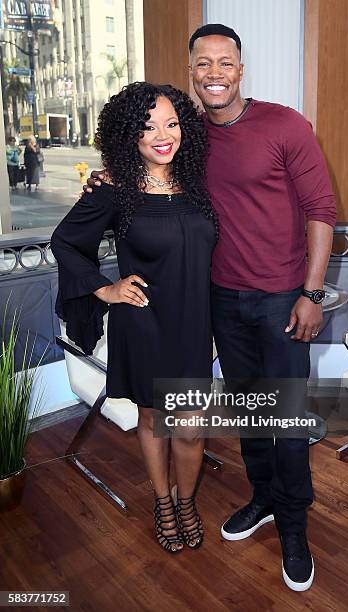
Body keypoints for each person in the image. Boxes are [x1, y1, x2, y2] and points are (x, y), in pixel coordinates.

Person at [84, 24, 336, 591]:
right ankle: (265, 498)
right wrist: (106, 174)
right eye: (204, 63)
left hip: (281, 300)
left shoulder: (284, 124)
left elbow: (321, 206)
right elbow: (147, 163)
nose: (215, 72)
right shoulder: (186, 135)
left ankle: (294, 527)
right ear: (192, 70)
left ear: (241, 70)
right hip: (218, 301)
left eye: (226, 62)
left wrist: (312, 292)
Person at [51, 82, 217, 554]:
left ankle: (187, 502)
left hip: (190, 323)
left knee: (189, 425)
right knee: (152, 417)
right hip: (143, 320)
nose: (162, 135)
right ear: (129, 136)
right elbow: (65, 241)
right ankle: (163, 502)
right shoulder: (114, 190)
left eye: (170, 123)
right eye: (147, 128)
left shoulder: (198, 182)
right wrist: (106, 288)